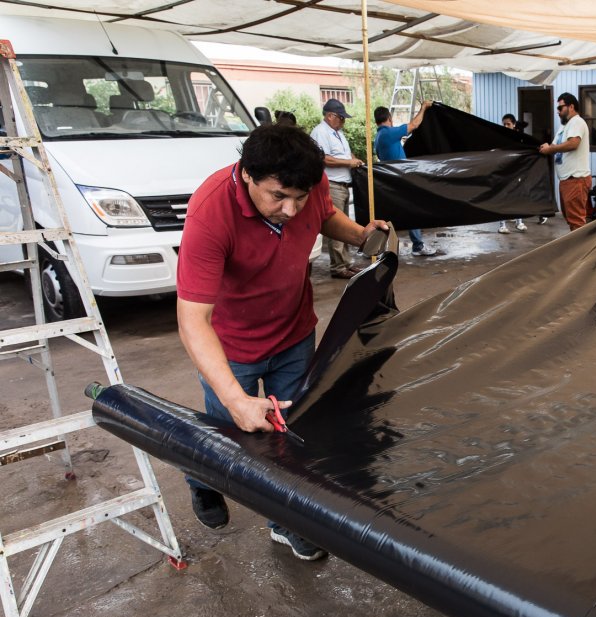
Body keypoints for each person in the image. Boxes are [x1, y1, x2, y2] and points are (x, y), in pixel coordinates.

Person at [176, 124, 389, 561]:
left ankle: (286, 522)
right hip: (231, 347)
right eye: (278, 197)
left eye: (300, 196)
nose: (291, 209)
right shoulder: (211, 212)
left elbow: (323, 213)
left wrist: (360, 236)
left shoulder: (309, 183)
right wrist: (235, 399)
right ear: (248, 175)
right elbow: (192, 320)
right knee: (224, 433)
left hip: (293, 335)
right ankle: (203, 484)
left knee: (291, 436)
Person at [309, 98, 366, 279]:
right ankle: (339, 266)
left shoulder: (337, 133)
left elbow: (345, 153)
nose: (343, 121)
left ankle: (346, 263)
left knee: (344, 226)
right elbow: (324, 159)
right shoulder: (320, 133)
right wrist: (349, 162)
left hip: (342, 185)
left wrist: (354, 160)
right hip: (331, 184)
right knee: (336, 227)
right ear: (330, 115)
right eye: (341, 118)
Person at [374, 103, 438, 257]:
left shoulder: (379, 137)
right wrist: (423, 108)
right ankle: (417, 246)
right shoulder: (388, 133)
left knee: (393, 214)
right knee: (412, 208)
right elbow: (414, 124)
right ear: (389, 118)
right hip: (399, 178)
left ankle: (378, 245)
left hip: (392, 179)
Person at [539, 93, 591, 231]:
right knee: (571, 220)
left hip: (576, 179)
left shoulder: (577, 122)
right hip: (567, 180)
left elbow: (573, 144)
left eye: (560, 108)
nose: (558, 111)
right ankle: (577, 250)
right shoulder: (564, 127)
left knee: (577, 222)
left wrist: (551, 148)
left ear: (571, 107)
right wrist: (547, 148)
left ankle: (581, 252)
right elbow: (553, 147)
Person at [498, 113, 529, 234]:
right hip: (504, 171)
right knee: (502, 197)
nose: (506, 126)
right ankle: (502, 225)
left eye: (508, 124)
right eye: (504, 124)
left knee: (517, 196)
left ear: (514, 125)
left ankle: (519, 222)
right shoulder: (500, 137)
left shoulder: (519, 137)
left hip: (516, 171)